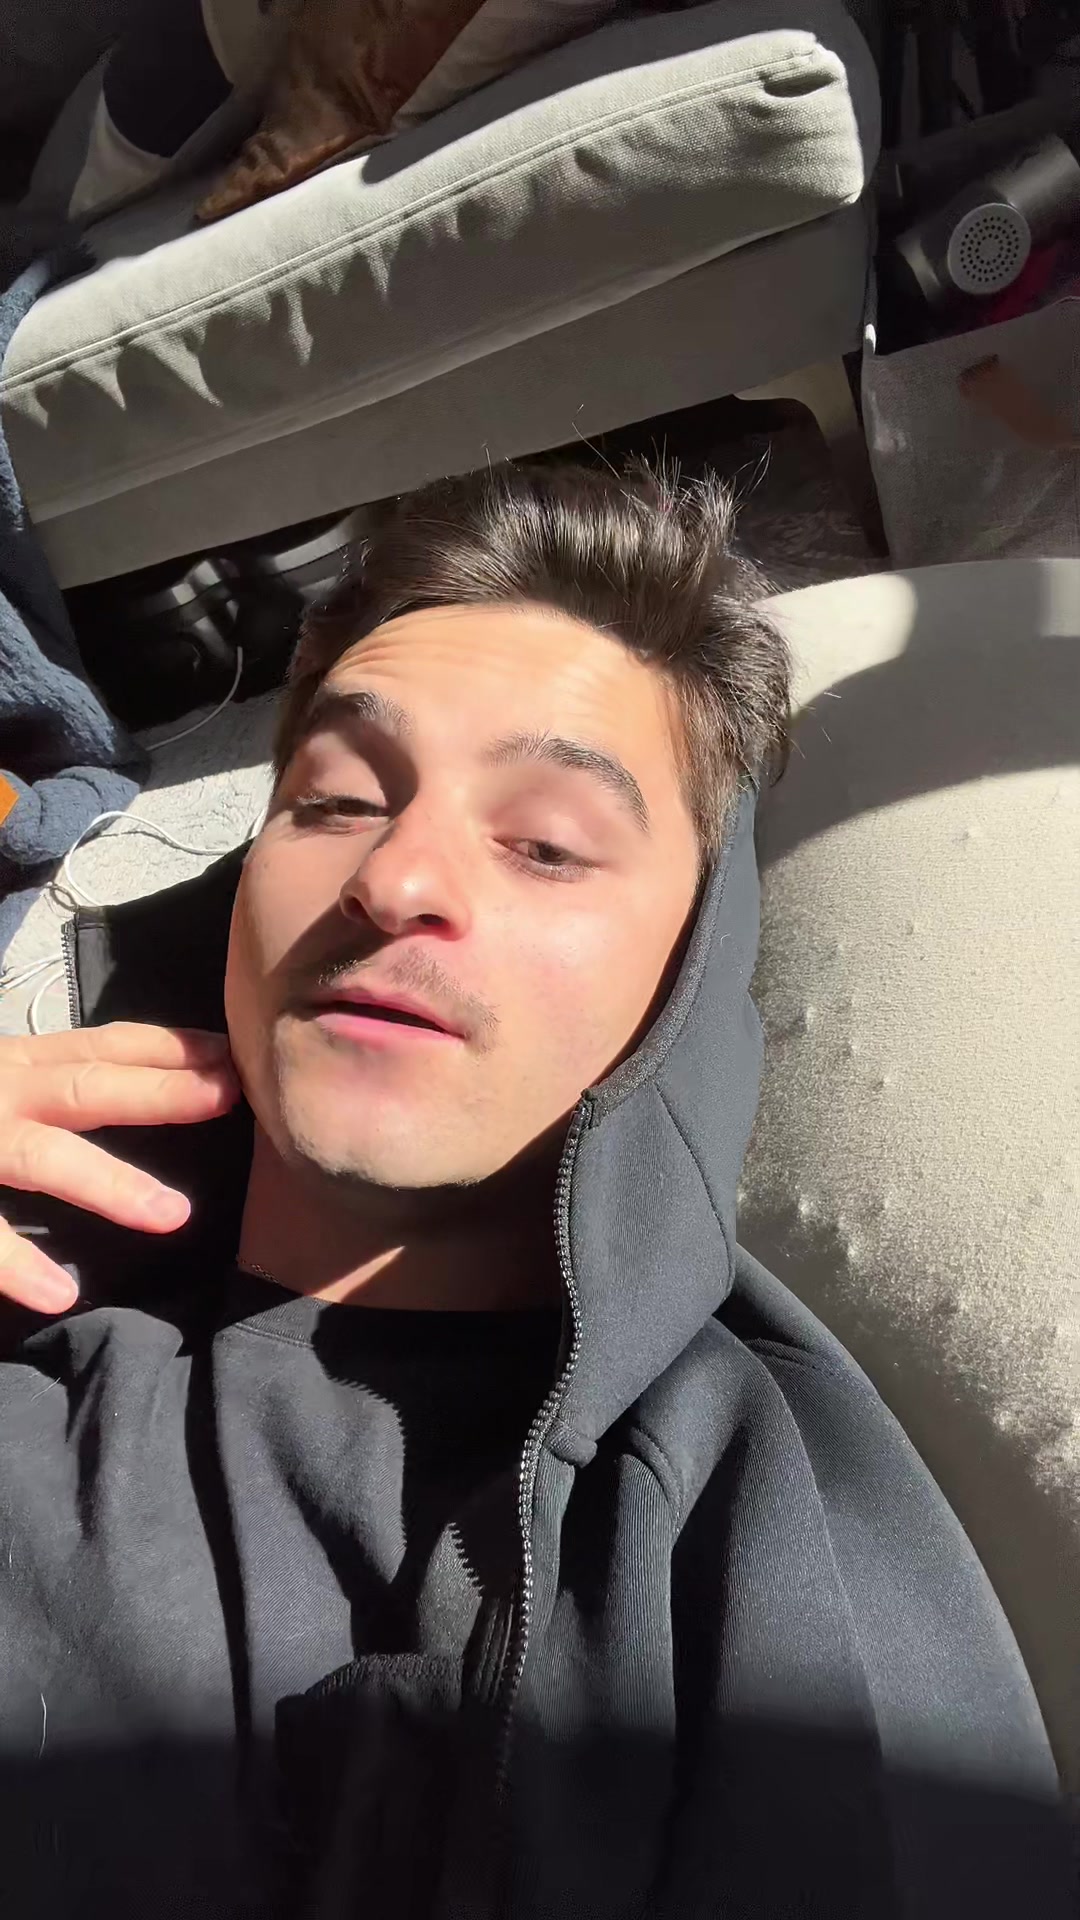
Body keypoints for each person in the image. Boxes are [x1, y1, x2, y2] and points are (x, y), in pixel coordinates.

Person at [0, 461, 1070, 1919]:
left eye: (546, 844)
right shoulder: (49, 1289)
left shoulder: (722, 1557)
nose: (396, 878)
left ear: (688, 976)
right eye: (334, 801)